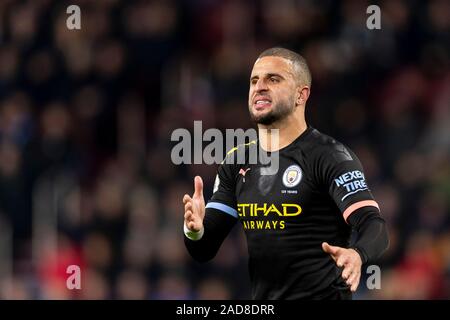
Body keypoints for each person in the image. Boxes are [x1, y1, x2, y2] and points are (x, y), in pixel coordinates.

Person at [182, 47, 389, 300]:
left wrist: (357, 254)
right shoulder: (237, 161)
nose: (259, 87)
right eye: (254, 80)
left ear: (301, 95)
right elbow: (203, 249)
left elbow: (374, 225)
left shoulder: (329, 156)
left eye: (273, 79)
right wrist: (194, 229)